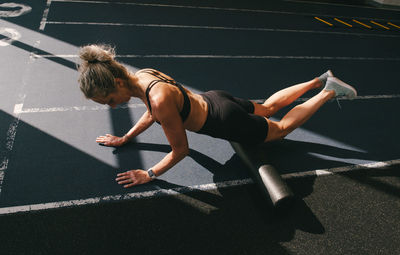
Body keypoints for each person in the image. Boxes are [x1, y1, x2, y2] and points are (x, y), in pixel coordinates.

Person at [77, 44, 357, 188]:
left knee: (281, 128)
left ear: (117, 83)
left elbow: (181, 150)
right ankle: (318, 79)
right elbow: (152, 114)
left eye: (109, 100)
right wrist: (126, 137)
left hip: (224, 121)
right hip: (215, 98)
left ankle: (328, 92)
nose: (113, 107)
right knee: (269, 108)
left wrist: (148, 173)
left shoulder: (158, 100)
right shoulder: (144, 76)